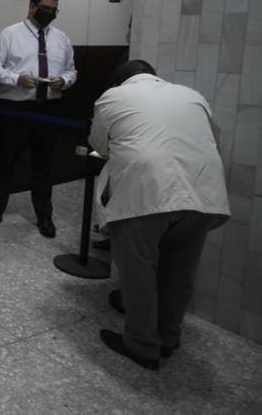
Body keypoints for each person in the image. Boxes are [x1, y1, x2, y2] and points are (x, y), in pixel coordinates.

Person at [89, 60, 230, 370]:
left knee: (139, 269)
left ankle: (141, 344)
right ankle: (168, 336)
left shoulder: (112, 98)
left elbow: (99, 145)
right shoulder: (192, 96)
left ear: (119, 82)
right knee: (179, 271)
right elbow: (213, 142)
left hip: (146, 193)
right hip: (203, 194)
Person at [0, 0, 77, 238]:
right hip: (16, 110)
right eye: (46, 8)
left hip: (49, 109)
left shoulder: (61, 38)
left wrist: (63, 81)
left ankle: (45, 217)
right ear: (32, 7)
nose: (50, 13)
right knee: (6, 163)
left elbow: (71, 70)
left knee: (44, 166)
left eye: (54, 9)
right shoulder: (10, 34)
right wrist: (16, 79)